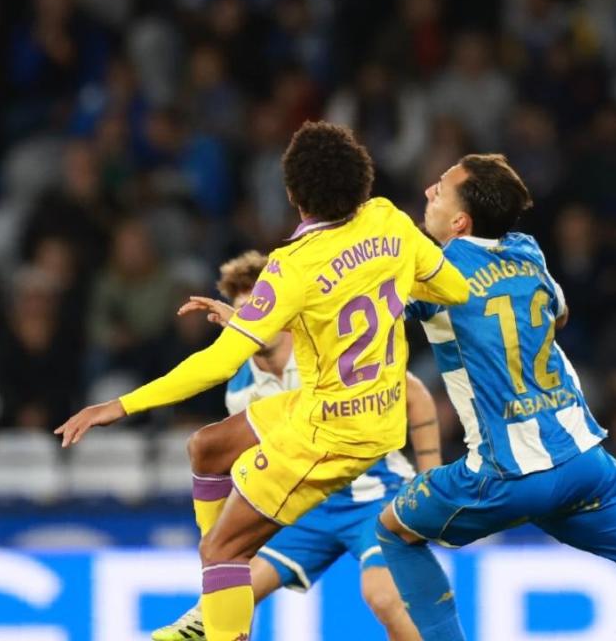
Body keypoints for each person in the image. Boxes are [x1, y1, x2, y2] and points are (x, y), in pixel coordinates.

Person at [56, 121, 469, 641]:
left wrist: (118, 406)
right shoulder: (390, 220)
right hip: (361, 411)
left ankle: (221, 611)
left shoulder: (291, 267)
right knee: (207, 447)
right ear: (364, 181)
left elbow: (214, 365)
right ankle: (220, 596)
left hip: (334, 433)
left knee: (222, 549)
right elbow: (451, 287)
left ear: (295, 196)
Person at [376, 154, 616, 641]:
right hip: (584, 462)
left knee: (393, 531)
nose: (428, 192)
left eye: (440, 189)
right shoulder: (528, 252)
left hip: (505, 474)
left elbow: (371, 321)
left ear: (461, 221)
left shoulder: (433, 273)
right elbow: (559, 315)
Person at [153, 250, 442, 640]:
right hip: (306, 509)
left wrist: (429, 479)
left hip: (374, 495)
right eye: (239, 315)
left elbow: (416, 395)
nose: (248, 323)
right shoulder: (240, 390)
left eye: (256, 311)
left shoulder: (328, 347)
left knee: (385, 598)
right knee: (233, 585)